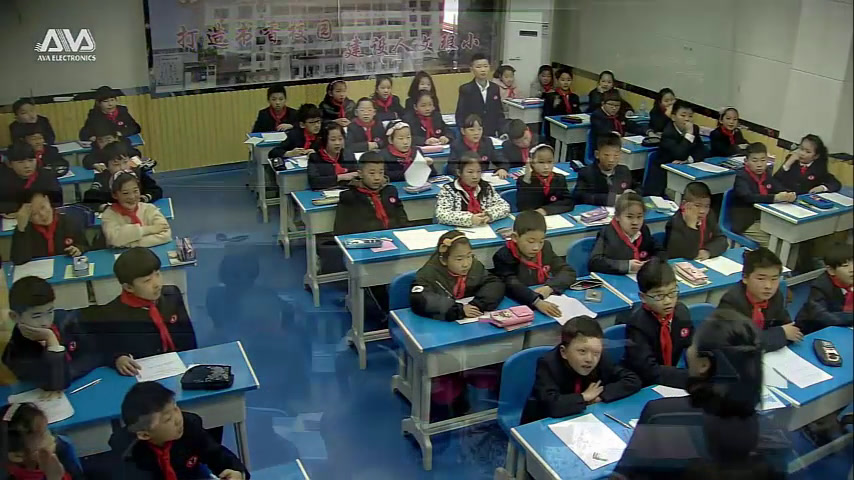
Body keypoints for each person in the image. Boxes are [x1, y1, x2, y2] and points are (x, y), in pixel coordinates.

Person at [613, 311, 788, 480]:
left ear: (704, 364)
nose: (689, 349)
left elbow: (625, 475)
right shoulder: (773, 435)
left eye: (693, 344)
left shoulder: (661, 416)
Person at [89, 247, 196, 376]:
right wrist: (117, 358)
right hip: (142, 374)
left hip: (179, 367)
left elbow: (188, 336)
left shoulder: (172, 295)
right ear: (129, 287)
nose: (157, 284)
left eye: (158, 274)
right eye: (147, 281)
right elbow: (103, 349)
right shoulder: (111, 314)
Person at [520, 315, 641, 424]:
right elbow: (552, 406)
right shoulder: (548, 364)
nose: (590, 359)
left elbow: (632, 380)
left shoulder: (601, 359)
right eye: (582, 351)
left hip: (584, 419)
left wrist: (600, 396)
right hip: (544, 423)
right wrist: (584, 397)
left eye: (596, 353)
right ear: (564, 352)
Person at [112, 382, 246, 479]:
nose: (178, 418)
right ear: (145, 434)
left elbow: (215, 453)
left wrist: (237, 472)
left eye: (175, 408)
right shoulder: (128, 454)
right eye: (168, 419)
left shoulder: (190, 426)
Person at [2, 276, 99, 391]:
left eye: (50, 312)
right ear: (14, 316)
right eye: (36, 316)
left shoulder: (64, 320)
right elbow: (57, 383)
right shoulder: (16, 353)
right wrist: (51, 340)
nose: (46, 322)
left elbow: (94, 353)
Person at [716, 248, 803, 352]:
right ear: (745, 278)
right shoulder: (731, 302)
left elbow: (788, 327)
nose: (768, 286)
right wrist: (781, 334)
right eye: (761, 279)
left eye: (774, 279)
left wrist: (782, 334)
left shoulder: (775, 296)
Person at [491, 211, 577, 316]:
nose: (536, 247)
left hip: (546, 296)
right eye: (531, 242)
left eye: (541, 241)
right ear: (515, 237)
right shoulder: (503, 256)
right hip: (520, 303)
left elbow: (567, 271)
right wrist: (536, 301)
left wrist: (550, 287)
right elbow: (511, 285)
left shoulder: (545, 248)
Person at [624, 259, 692, 388]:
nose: (668, 301)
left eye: (672, 293)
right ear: (643, 297)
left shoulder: (682, 312)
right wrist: (689, 377)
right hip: (643, 383)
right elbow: (648, 371)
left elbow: (691, 346)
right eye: (659, 296)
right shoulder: (637, 325)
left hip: (669, 378)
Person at [409, 231, 505, 321]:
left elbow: (494, 283)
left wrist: (477, 305)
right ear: (443, 260)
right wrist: (459, 310)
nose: (466, 264)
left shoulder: (475, 266)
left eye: (469, 256)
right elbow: (420, 299)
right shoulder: (428, 274)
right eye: (459, 259)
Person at [729, 142, 796, 247]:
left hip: (765, 217)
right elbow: (748, 197)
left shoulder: (766, 174)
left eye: (763, 160)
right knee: (773, 243)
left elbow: (777, 187)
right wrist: (774, 198)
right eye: (755, 160)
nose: (759, 164)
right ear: (746, 161)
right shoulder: (741, 177)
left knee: (787, 238)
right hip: (747, 221)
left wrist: (788, 194)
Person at [0, 403, 86, 480]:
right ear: (17, 456)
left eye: (47, 430)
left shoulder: (61, 450)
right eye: (43, 436)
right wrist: (54, 477)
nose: (52, 437)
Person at [333, 152, 411, 236]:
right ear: (360, 174)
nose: (377, 178)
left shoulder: (390, 191)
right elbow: (343, 230)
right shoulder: (349, 197)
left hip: (394, 236)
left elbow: (402, 218)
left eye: (380, 173)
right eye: (372, 173)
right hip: (367, 239)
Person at [589, 192, 661, 274]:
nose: (635, 222)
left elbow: (660, 251)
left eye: (639, 217)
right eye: (629, 217)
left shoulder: (644, 230)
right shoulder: (607, 233)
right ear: (617, 216)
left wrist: (652, 262)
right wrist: (627, 266)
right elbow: (594, 262)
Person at [10, 191, 89, 265]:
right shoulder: (24, 230)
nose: (42, 214)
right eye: (34, 214)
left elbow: (85, 246)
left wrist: (78, 249)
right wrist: (21, 229)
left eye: (43, 207)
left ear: (47, 200)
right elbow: (18, 260)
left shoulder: (69, 221)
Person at [83, 141, 163, 212]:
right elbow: (89, 199)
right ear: (107, 166)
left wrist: (142, 199)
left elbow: (156, 190)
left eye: (125, 162)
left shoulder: (138, 173)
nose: (122, 168)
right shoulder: (102, 177)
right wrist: (108, 207)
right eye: (116, 164)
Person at [436, 152, 510, 227]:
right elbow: (442, 214)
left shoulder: (486, 187)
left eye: (478, 172)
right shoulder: (449, 189)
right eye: (470, 172)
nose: (475, 176)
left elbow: (505, 206)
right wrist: (470, 219)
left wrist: (489, 215)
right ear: (459, 172)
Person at [651, 100, 709, 196]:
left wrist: (689, 159)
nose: (687, 119)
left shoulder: (695, 129)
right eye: (683, 115)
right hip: (665, 176)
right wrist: (689, 134)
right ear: (673, 117)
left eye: (690, 116)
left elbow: (703, 150)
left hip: (688, 171)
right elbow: (679, 155)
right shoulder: (668, 133)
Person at [100, 172, 172, 248]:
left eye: (135, 191)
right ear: (115, 195)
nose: (132, 197)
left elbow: (166, 235)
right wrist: (148, 229)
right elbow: (114, 239)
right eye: (125, 193)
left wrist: (130, 243)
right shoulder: (109, 215)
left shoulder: (150, 209)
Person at [795, 245, 853, 333]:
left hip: (844, 325)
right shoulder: (821, 286)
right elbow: (822, 316)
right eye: (845, 266)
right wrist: (850, 317)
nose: (852, 270)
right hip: (812, 329)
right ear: (831, 270)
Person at [664, 182, 727, 261]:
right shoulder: (675, 222)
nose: (702, 211)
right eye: (697, 205)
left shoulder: (709, 215)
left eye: (706, 206)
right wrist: (691, 226)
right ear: (684, 204)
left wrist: (708, 251)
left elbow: (722, 239)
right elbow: (689, 254)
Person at [573, 133, 636, 206]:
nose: (611, 160)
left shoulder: (624, 170)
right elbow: (580, 196)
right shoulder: (586, 173)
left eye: (616, 155)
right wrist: (611, 199)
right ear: (597, 154)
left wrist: (632, 194)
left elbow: (637, 187)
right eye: (606, 155)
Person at [0, 142, 62, 215]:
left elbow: (57, 202)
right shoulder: (3, 179)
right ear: (10, 164)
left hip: (43, 215)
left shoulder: (47, 176)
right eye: (20, 162)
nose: (27, 166)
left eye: (31, 160)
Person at [455, 53, 505, 137]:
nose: (483, 70)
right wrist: (463, 131)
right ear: (471, 69)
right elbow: (460, 114)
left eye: (485, 66)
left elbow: (499, 112)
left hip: (491, 131)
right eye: (478, 67)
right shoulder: (466, 89)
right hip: (473, 132)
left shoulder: (494, 88)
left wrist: (502, 131)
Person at [516, 144, 574, 215]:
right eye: (541, 162)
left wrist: (545, 210)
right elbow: (523, 207)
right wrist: (527, 180)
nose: (546, 167)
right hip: (533, 218)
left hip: (553, 216)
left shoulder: (559, 179)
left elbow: (568, 202)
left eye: (549, 162)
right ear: (532, 163)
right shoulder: (523, 181)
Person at [774, 134, 841, 194]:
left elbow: (835, 183)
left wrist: (822, 188)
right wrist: (787, 164)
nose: (802, 153)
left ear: (816, 156)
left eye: (808, 152)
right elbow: (775, 180)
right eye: (801, 149)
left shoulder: (818, 167)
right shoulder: (791, 161)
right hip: (785, 196)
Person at [306, 123, 358, 190]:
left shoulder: (348, 154)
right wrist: (340, 177)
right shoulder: (315, 158)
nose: (337, 143)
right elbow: (314, 182)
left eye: (340, 139)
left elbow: (356, 173)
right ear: (324, 141)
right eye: (333, 140)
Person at [542, 68, 582, 142]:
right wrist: (554, 106)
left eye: (568, 80)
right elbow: (546, 116)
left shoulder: (574, 97)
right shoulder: (551, 96)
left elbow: (578, 113)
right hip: (555, 130)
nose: (566, 83)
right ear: (557, 81)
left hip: (571, 127)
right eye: (563, 80)